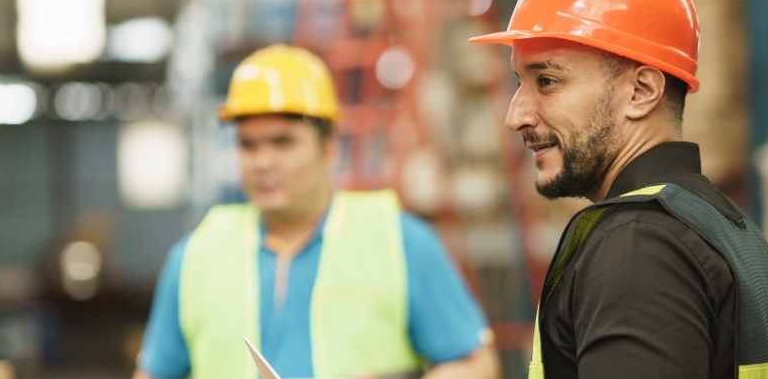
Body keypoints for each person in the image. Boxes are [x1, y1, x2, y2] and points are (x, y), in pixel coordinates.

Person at [469, 0, 768, 379]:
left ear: (642, 91)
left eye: (546, 81)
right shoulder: (721, 228)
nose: (516, 116)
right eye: (520, 82)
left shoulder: (636, 248)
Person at [133, 45, 501, 379]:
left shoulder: (397, 241)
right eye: (248, 146)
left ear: (328, 148)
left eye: (282, 142)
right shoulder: (198, 255)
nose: (263, 162)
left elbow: (476, 365)